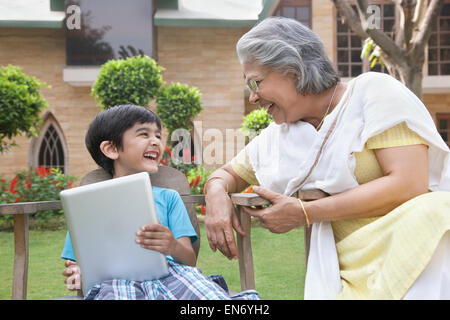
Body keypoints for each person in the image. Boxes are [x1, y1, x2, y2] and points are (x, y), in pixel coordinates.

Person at [203, 16, 450, 300]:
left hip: (413, 242)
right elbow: (225, 174)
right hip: (350, 272)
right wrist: (216, 195)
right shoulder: (281, 136)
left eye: (256, 83)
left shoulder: (371, 93)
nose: (253, 98)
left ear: (292, 69)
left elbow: (410, 184)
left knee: (439, 211)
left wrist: (305, 213)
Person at [61, 104, 260, 300]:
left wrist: (171, 245)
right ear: (111, 148)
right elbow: (76, 269)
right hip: (114, 284)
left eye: (157, 135)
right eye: (144, 134)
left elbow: (189, 261)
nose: (156, 141)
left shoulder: (169, 197)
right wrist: (77, 275)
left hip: (172, 275)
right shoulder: (86, 207)